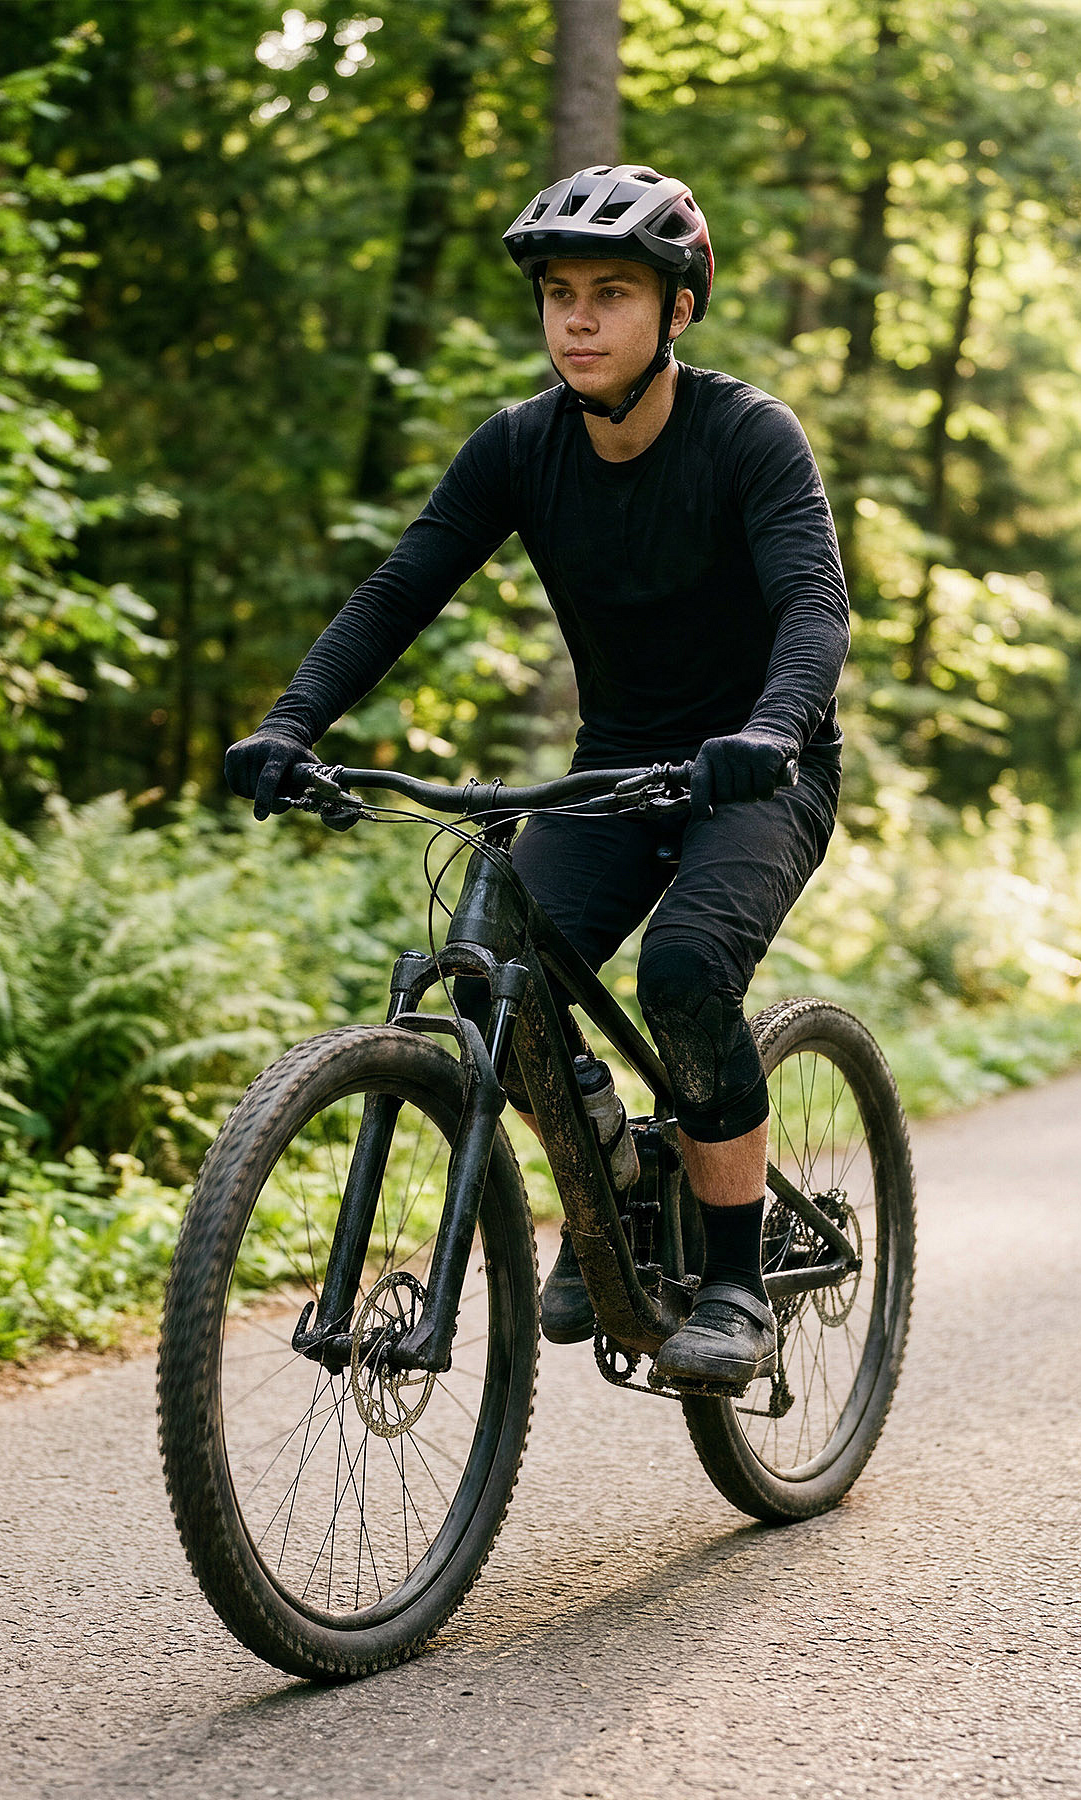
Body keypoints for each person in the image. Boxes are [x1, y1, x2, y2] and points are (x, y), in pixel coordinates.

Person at [224, 164, 849, 1391]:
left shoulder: (748, 435)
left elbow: (814, 607)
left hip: (759, 771)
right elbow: (398, 591)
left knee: (684, 973)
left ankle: (733, 1283)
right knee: (485, 972)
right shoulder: (520, 447)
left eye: (612, 293)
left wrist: (775, 729)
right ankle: (616, 1171)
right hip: (614, 771)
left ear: (676, 308)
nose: (578, 320)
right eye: (560, 294)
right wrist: (291, 723)